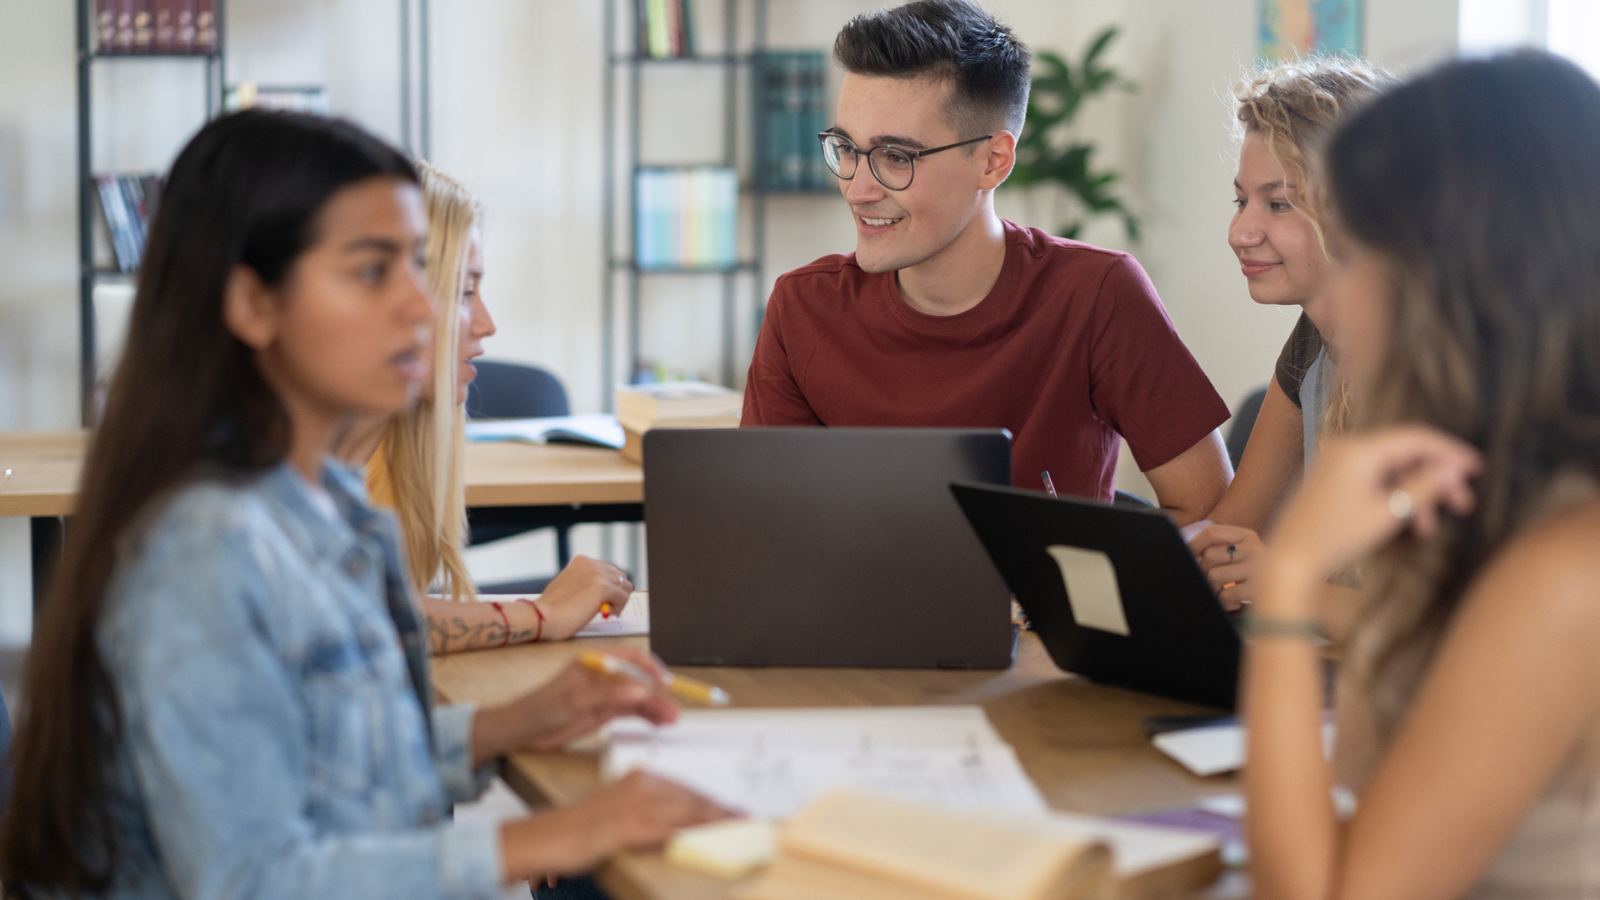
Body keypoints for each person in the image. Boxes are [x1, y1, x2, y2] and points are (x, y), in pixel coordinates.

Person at [0, 110, 724, 899]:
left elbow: (329, 752)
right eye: (374, 270)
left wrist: (508, 725)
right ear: (251, 303)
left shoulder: (328, 506)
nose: (425, 308)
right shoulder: (204, 550)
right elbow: (253, 879)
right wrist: (547, 834)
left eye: (421, 267)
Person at [1244, 52, 1600, 899]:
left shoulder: (1564, 568)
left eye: (1358, 256)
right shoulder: (1474, 489)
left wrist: (1290, 579)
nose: (1342, 294)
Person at [740, 0, 1231, 524]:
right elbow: (765, 525)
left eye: (895, 157)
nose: (857, 189)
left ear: (993, 161)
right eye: (846, 147)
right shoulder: (802, 308)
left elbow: (1214, 514)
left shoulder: (1098, 295)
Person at [337, 162, 632, 655]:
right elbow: (363, 622)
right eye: (465, 292)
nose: (488, 323)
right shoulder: (282, 481)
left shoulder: (390, 450)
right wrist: (541, 614)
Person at [1187, 58, 1392, 610]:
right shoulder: (1315, 344)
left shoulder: (1444, 364)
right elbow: (1227, 539)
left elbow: (1441, 631)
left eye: (1279, 204)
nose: (1240, 232)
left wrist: (1286, 583)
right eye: (1241, 201)